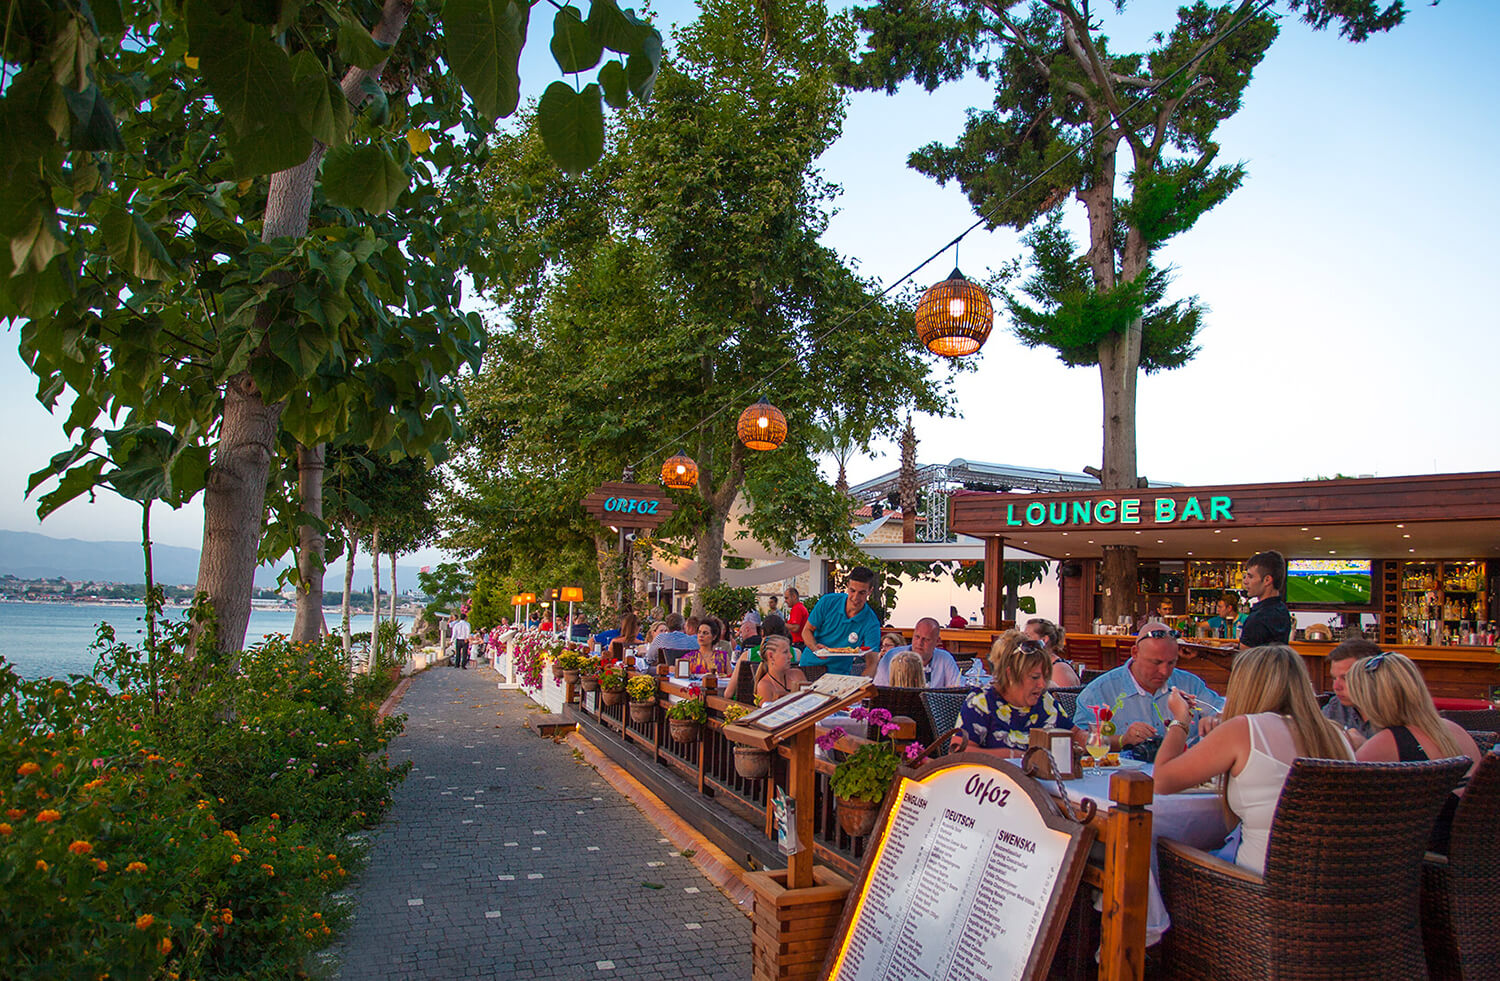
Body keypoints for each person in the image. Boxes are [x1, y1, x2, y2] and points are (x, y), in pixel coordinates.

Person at [1151, 644, 1354, 876]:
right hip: (1335, 882)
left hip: (1257, 886)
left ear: (1244, 686)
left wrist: (1181, 719)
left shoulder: (1245, 729)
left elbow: (1162, 781)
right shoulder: (1336, 735)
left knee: (1156, 850)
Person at [1344, 651, 1482, 852]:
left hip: (1421, 856)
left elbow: (1345, 805)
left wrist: (1355, 748)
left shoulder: (1388, 742)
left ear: (1370, 701)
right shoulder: (1455, 730)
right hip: (1472, 849)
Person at [1073, 624, 1224, 755]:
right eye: (1156, 663)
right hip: (1121, 776)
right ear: (1135, 653)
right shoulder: (1099, 692)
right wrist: (1122, 740)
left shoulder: (1190, 684)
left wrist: (1216, 720)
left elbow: (1223, 712)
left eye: (1171, 663)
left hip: (1185, 775)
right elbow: (1077, 742)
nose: (1164, 671)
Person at [953, 630, 1082, 759]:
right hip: (995, 772)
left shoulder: (1044, 701)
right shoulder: (983, 701)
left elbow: (1075, 735)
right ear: (1010, 674)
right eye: (1035, 677)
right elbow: (958, 752)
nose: (1042, 684)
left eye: (1046, 676)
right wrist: (1012, 755)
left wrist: (1093, 740)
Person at [800, 567, 882, 674]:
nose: (855, 597)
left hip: (839, 674)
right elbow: (807, 630)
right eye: (852, 591)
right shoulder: (828, 602)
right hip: (809, 666)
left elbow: (872, 662)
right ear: (847, 586)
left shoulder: (871, 622)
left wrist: (862, 682)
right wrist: (815, 648)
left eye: (862, 593)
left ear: (870, 591)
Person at [872, 617, 963, 687]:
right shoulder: (892, 656)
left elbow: (957, 687)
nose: (919, 643)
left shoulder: (945, 658)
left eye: (926, 639)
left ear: (937, 641)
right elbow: (879, 688)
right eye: (917, 637)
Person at [1320, 637, 1379, 744]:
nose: (1336, 687)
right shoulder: (1336, 708)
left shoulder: (1395, 713)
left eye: (1345, 678)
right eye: (1334, 678)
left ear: (1371, 676)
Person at [1240, 550, 1292, 647]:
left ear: (1267, 580)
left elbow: (1245, 654)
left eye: (1250, 577)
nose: (1245, 581)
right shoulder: (1283, 610)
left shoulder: (1257, 618)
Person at [1024, 617, 1081, 688]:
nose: (1023, 640)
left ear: (1044, 640)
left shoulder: (1059, 669)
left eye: (1028, 636)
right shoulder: (1039, 665)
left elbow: (1064, 694)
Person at [754, 635, 808, 704]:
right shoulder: (765, 686)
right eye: (785, 652)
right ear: (771, 656)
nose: (790, 656)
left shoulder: (797, 674)